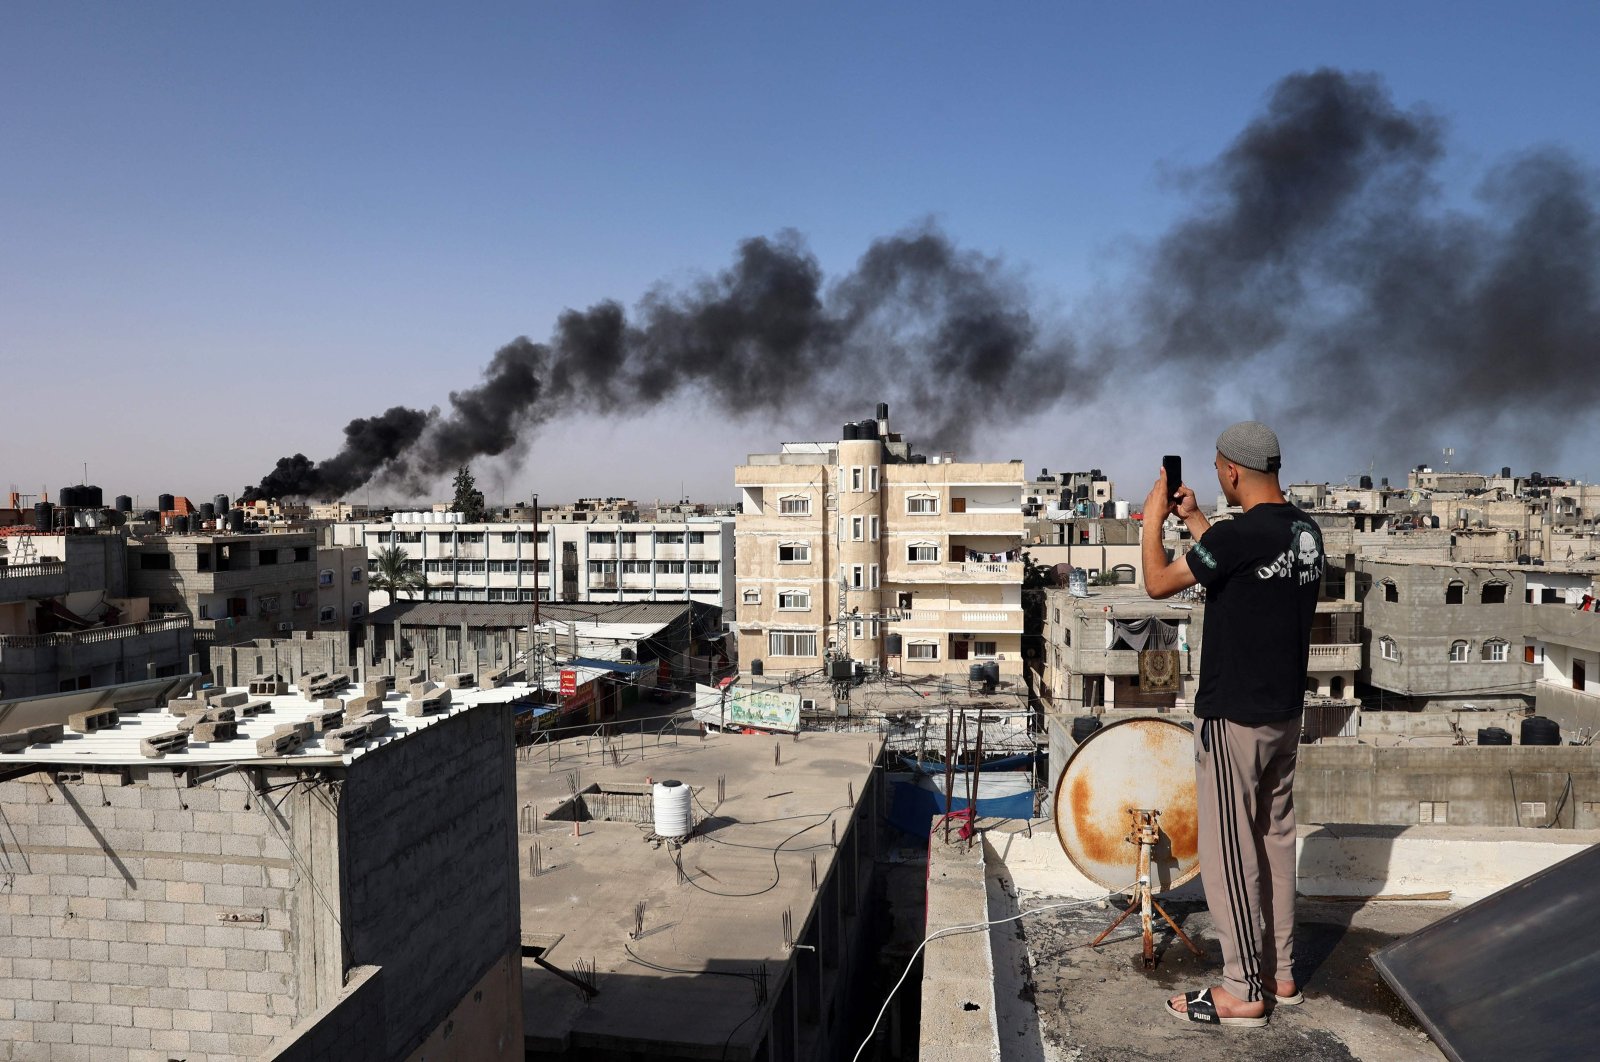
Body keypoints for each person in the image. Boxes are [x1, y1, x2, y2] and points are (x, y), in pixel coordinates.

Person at [1140, 421, 1324, 1028]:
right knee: (1275, 840)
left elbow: (1160, 583)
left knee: (1229, 851)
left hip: (1233, 717)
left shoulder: (1242, 536)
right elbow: (1242, 567)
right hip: (1283, 716)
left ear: (1235, 472)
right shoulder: (1304, 531)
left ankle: (1242, 987)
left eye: (1220, 469)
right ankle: (1281, 971)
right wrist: (1195, 522)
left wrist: (1150, 521)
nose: (1217, 477)